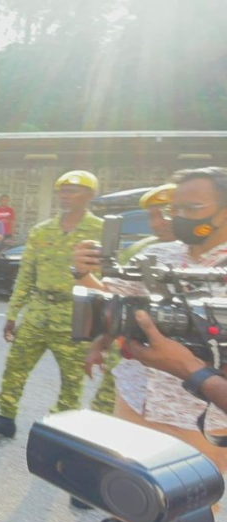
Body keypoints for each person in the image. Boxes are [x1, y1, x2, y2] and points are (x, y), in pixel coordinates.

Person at [73, 167, 227, 478]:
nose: (178, 217)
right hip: (134, 400)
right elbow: (113, 302)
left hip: (199, 420)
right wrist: (82, 273)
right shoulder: (157, 254)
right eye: (175, 209)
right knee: (125, 492)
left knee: (188, 502)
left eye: (191, 209)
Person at [0, 171, 103, 441]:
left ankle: (63, 429)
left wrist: (103, 329)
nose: (65, 196)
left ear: (90, 195)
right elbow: (26, 276)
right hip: (39, 310)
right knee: (15, 367)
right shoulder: (41, 231)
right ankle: (5, 418)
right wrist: (13, 313)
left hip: (77, 314)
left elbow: (112, 282)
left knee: (72, 378)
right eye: (63, 191)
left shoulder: (101, 231)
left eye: (73, 191)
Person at [86, 183, 177, 414]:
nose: (156, 224)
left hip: (184, 383)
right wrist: (100, 344)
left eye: (165, 214)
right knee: (105, 418)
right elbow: (120, 300)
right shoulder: (143, 250)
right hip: (131, 363)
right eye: (152, 216)